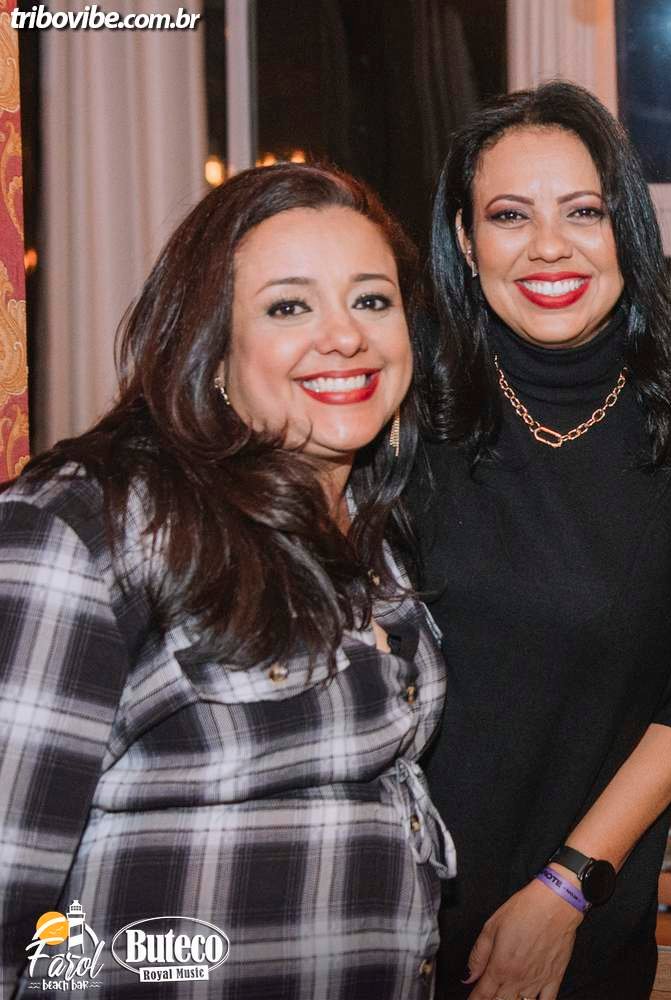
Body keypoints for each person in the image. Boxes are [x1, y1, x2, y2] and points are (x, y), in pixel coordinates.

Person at [0, 164, 449, 997]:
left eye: (371, 299)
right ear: (210, 349)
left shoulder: (375, 528)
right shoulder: (91, 527)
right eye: (288, 307)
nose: (345, 337)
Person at [411, 81, 671, 1000]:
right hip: (379, 910)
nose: (549, 246)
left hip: (577, 924)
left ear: (626, 231)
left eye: (583, 211)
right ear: (465, 241)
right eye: (509, 215)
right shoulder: (405, 406)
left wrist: (567, 888)